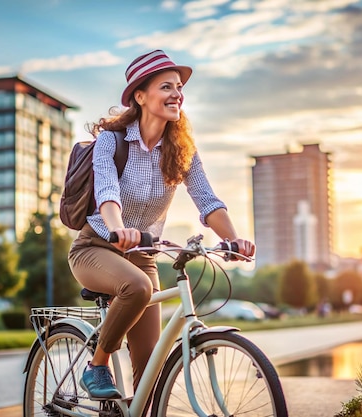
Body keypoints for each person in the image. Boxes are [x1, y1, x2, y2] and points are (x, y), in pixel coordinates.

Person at [67, 49, 256, 400]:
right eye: (166, 86)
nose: (177, 94)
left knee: (150, 367)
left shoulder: (181, 150)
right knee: (138, 288)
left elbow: (208, 201)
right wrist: (117, 228)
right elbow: (108, 193)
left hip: (143, 254)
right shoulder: (112, 140)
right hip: (96, 247)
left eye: (179, 88)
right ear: (140, 96)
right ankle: (97, 365)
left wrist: (235, 240)